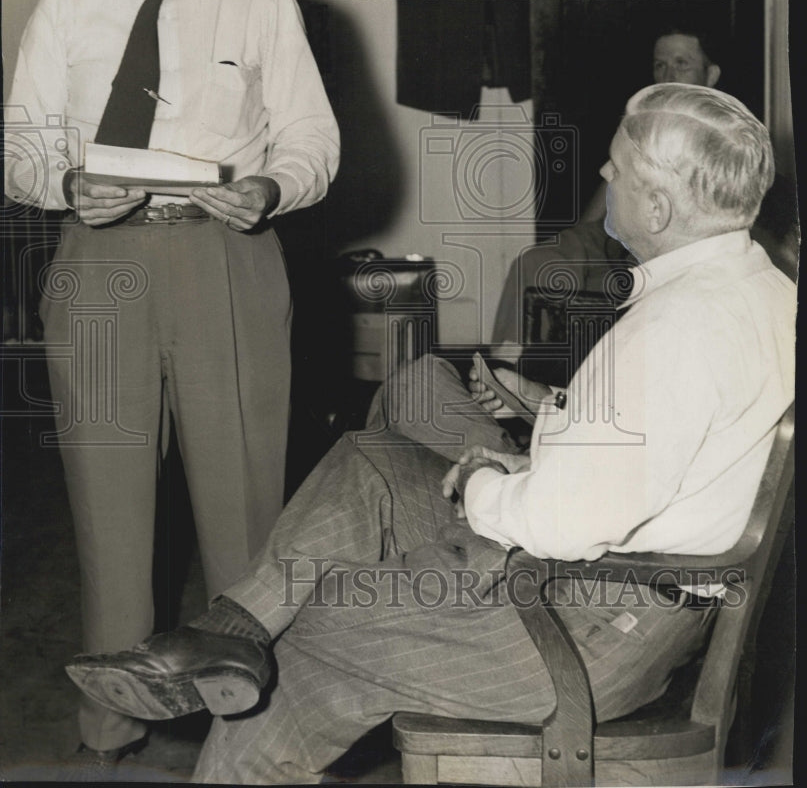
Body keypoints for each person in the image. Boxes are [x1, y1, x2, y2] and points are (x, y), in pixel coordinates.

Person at [65, 84, 794, 784]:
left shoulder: (674, 330)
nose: (602, 175)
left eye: (615, 168)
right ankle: (231, 627)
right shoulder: (761, 289)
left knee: (314, 624)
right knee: (371, 460)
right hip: (622, 598)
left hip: (580, 630)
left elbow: (560, 521)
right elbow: (664, 443)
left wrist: (486, 481)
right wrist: (554, 423)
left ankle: (245, 645)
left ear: (659, 205)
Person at [3, 0, 339, 768]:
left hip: (227, 256)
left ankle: (253, 730)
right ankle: (112, 724)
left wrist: (275, 185)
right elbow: (19, 147)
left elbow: (314, 138)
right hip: (100, 261)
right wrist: (65, 182)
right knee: (107, 504)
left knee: (243, 506)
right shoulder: (68, 0)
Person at [491, 25, 724, 344]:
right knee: (538, 263)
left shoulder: (723, 136)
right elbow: (606, 197)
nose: (667, 75)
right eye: (659, 64)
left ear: (711, 76)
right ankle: (507, 375)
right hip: (618, 235)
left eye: (682, 64)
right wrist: (577, 248)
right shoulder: (640, 120)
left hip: (668, 245)